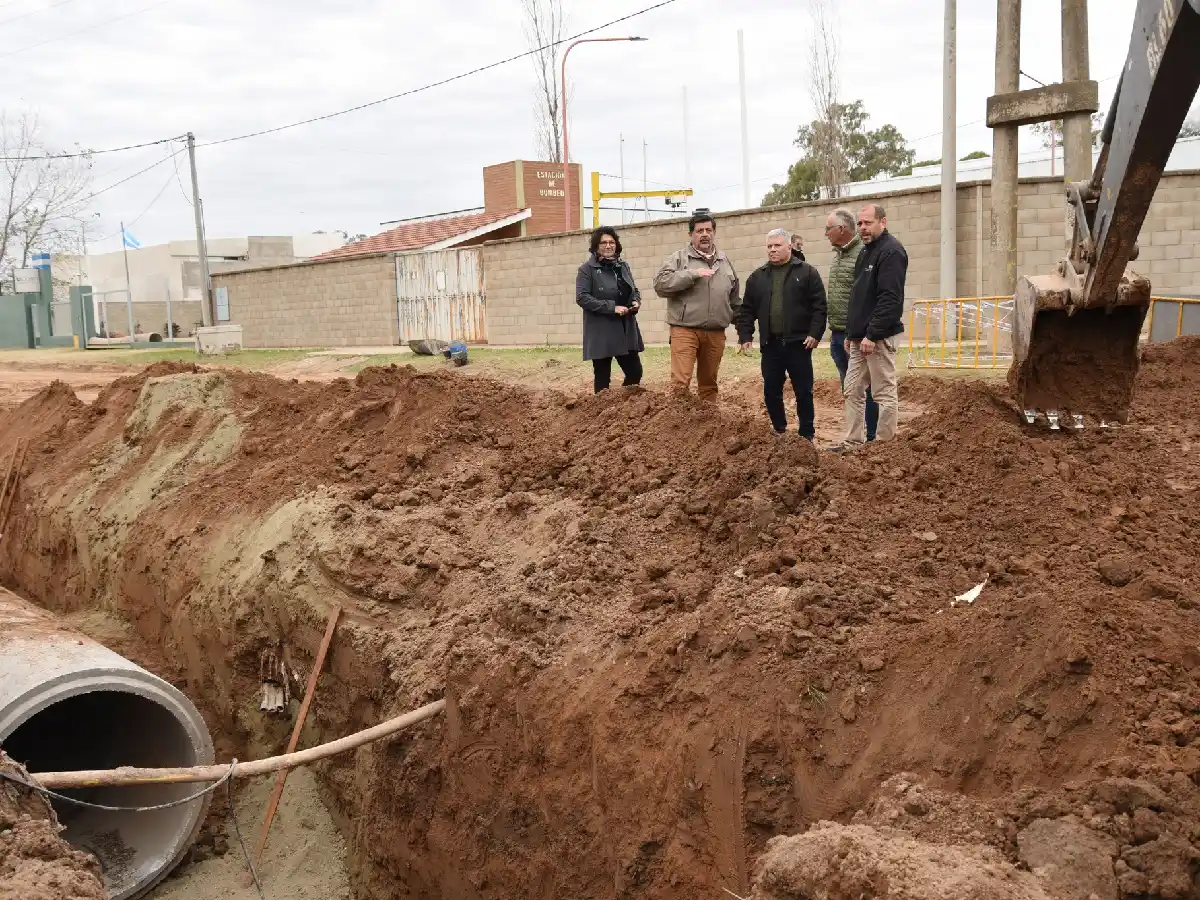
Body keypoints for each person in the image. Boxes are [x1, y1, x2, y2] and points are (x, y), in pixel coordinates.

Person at [737, 229, 827, 439]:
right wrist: (745, 336)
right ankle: (780, 430)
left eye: (777, 245)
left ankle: (806, 435)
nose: (773, 250)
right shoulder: (757, 277)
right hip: (771, 345)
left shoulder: (807, 273)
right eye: (769, 246)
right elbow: (747, 310)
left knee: (803, 392)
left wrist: (815, 333)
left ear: (789, 246)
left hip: (799, 344)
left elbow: (819, 307)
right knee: (771, 391)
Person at [836, 203, 907, 447]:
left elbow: (890, 299)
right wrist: (851, 333)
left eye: (868, 223)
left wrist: (872, 334)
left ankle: (884, 447)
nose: (863, 228)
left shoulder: (892, 252)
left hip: (878, 338)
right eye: (860, 224)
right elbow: (859, 297)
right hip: (859, 338)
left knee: (883, 392)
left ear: (883, 222)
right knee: (852, 389)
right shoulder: (865, 252)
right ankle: (853, 442)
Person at [653, 210, 740, 400]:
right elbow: (660, 284)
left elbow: (734, 298)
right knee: (680, 384)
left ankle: (707, 425)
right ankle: (677, 425)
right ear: (691, 235)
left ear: (714, 233)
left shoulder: (724, 261)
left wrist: (743, 328)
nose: (705, 234)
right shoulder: (679, 258)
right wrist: (692, 274)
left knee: (709, 385)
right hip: (685, 331)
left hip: (716, 332)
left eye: (708, 230)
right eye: (699, 231)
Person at [824, 207, 877, 441]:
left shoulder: (862, 255)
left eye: (828, 228)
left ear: (841, 229)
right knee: (850, 389)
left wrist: (865, 333)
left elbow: (868, 297)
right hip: (837, 334)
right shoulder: (839, 256)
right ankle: (855, 437)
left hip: (855, 335)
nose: (826, 233)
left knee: (866, 388)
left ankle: (873, 437)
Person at [575, 226, 644, 393]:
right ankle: (602, 415)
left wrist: (635, 300)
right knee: (602, 378)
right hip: (601, 330)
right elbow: (582, 297)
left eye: (611, 242)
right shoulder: (586, 269)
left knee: (635, 372)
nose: (608, 246)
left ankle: (623, 406)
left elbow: (633, 289)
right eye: (603, 242)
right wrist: (612, 307)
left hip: (625, 327)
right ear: (596, 246)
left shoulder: (623, 266)